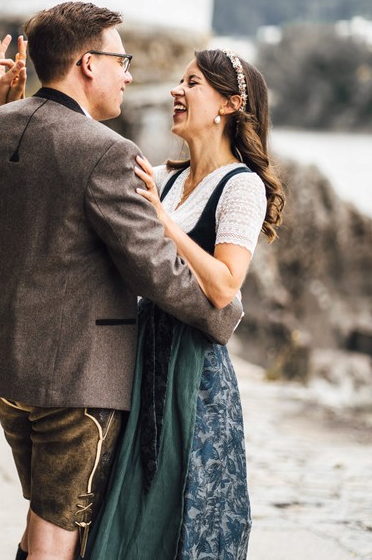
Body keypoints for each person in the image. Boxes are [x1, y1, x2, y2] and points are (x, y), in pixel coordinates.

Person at [0, 2, 245, 560]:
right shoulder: (107, 153)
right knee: (58, 533)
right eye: (122, 61)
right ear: (87, 63)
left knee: (43, 518)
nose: (128, 75)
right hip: (76, 383)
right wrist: (221, 312)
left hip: (4, 370)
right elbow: (155, 269)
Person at [87, 49, 285, 559]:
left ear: (229, 105)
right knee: (125, 512)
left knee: (183, 515)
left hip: (192, 372)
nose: (177, 90)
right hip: (141, 357)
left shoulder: (242, 187)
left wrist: (163, 221)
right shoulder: (166, 178)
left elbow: (224, 286)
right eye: (180, 81)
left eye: (192, 83)